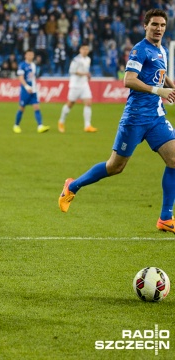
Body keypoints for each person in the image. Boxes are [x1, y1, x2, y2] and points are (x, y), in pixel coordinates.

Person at [59, 9, 175, 234]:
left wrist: (170, 86)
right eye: (154, 25)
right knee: (115, 167)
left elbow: (160, 73)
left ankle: (166, 218)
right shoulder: (140, 50)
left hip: (156, 118)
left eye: (162, 25)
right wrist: (157, 90)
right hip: (135, 118)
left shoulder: (161, 49)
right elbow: (128, 80)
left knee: (174, 160)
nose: (159, 28)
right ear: (145, 26)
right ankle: (72, 186)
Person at [58, 44, 97, 133]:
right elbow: (72, 71)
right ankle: (61, 121)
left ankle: (87, 126)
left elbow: (85, 71)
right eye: (83, 49)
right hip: (75, 85)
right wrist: (84, 74)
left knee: (88, 103)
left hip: (84, 84)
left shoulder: (88, 59)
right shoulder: (76, 60)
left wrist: (88, 75)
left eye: (87, 49)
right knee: (70, 104)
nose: (85, 51)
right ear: (80, 50)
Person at [13, 49, 49, 134]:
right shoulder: (22, 65)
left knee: (37, 107)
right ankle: (16, 125)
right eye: (28, 54)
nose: (30, 56)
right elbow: (20, 78)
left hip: (33, 90)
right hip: (25, 90)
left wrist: (34, 87)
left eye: (31, 54)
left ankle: (40, 126)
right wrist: (26, 86)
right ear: (25, 55)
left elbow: (34, 77)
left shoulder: (34, 65)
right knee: (21, 108)